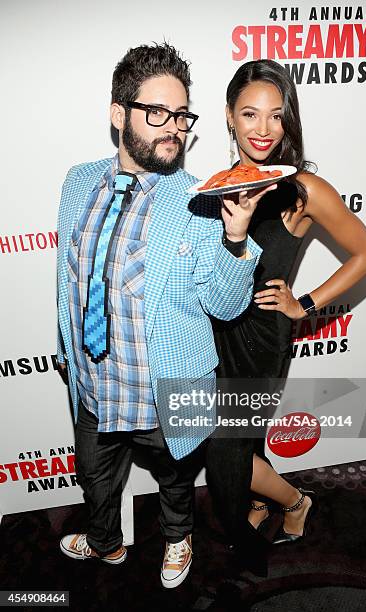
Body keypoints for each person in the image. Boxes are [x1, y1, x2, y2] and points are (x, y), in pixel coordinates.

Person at [56, 43, 273, 588]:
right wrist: (66, 349)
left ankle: (179, 539)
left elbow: (225, 305)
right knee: (95, 479)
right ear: (118, 114)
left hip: (166, 384)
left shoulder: (200, 199)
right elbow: (68, 275)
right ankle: (105, 541)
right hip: (95, 378)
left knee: (177, 478)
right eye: (157, 113)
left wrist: (237, 237)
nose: (172, 127)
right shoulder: (78, 182)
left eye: (180, 115)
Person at [206, 59, 366, 568]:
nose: (263, 129)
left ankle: (296, 500)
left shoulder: (303, 189)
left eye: (276, 116)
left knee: (225, 451)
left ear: (289, 121)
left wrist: (304, 305)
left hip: (259, 337)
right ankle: (264, 501)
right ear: (229, 117)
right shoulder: (214, 184)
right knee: (240, 440)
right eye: (250, 114)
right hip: (211, 330)